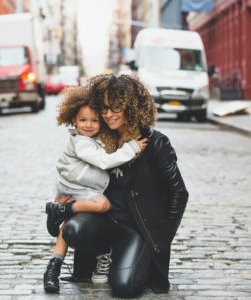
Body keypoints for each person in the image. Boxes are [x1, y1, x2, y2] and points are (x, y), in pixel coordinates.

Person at [58, 74, 189, 298]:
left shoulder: (155, 142)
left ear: (131, 106)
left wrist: (160, 237)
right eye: (104, 108)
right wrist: (66, 197)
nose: (108, 114)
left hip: (138, 228)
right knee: (73, 230)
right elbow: (76, 172)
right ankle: (105, 255)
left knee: (124, 287)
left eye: (115, 107)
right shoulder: (99, 139)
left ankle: (134, 257)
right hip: (106, 220)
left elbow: (179, 193)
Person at [43, 86, 148, 293]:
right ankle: (63, 211)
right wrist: (132, 148)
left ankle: (52, 268)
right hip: (78, 188)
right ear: (74, 120)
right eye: (83, 120)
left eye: (94, 120)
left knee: (66, 227)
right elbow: (102, 162)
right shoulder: (81, 142)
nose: (89, 125)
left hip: (77, 186)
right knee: (102, 204)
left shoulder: (95, 139)